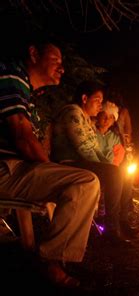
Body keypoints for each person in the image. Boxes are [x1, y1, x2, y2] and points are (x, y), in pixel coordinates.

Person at [0, 39, 100, 287]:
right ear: (33, 54)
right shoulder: (11, 75)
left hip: (15, 167)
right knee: (86, 181)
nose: (62, 68)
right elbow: (23, 138)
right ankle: (51, 262)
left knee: (84, 180)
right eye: (55, 60)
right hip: (5, 168)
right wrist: (51, 169)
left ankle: (48, 254)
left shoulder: (26, 92)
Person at [51, 81, 134, 244]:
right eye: (97, 100)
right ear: (84, 98)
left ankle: (118, 223)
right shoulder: (72, 113)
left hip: (79, 162)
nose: (100, 105)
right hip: (67, 163)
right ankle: (111, 227)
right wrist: (108, 171)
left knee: (118, 172)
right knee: (114, 173)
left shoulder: (85, 118)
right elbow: (85, 149)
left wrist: (109, 168)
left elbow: (94, 149)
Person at [96, 101, 139, 237]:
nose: (107, 120)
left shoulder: (113, 137)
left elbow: (118, 156)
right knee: (116, 176)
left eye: (111, 117)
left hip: (111, 169)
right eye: (104, 115)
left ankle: (123, 220)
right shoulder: (91, 132)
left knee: (126, 178)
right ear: (98, 115)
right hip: (96, 167)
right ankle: (112, 224)